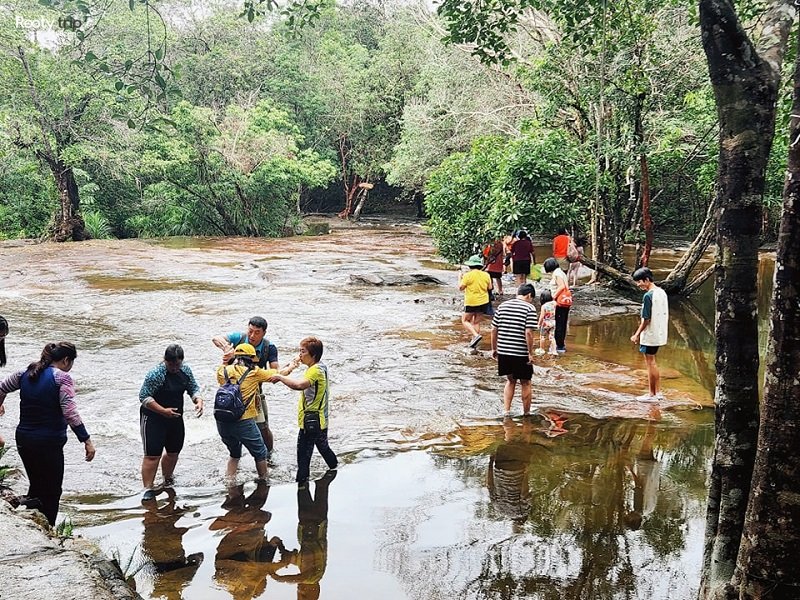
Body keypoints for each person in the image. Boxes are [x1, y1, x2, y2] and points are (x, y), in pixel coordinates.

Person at [0, 342, 95, 526]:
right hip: (49, 442)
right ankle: (48, 528)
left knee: (36, 485)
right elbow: (70, 413)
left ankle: (32, 523)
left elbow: (2, 388)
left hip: (24, 439)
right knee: (52, 490)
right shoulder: (62, 378)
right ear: (66, 360)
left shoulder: (24, 373)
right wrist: (86, 440)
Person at [215, 343, 296, 481]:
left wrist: (226, 359)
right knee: (260, 453)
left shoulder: (223, 371)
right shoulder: (254, 373)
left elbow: (224, 373)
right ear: (252, 358)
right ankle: (264, 480)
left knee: (234, 454)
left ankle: (229, 483)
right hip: (243, 421)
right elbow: (277, 375)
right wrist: (292, 366)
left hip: (222, 421)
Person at [139, 344, 204, 501]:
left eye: (177, 364)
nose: (175, 368)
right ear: (165, 361)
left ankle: (167, 479)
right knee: (152, 454)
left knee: (174, 450)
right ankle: (148, 488)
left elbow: (193, 387)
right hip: (153, 417)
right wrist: (162, 411)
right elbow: (144, 397)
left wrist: (198, 400)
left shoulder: (185, 371)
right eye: (171, 364)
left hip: (175, 417)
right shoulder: (156, 374)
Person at [268, 337, 338, 483]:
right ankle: (335, 469)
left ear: (313, 355)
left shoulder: (314, 371)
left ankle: (301, 485)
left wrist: (280, 378)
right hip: (320, 420)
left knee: (303, 457)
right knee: (323, 448)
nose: (300, 355)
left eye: (303, 351)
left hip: (311, 422)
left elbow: (299, 385)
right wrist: (291, 367)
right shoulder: (320, 367)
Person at [213, 316, 279, 456]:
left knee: (263, 427)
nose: (252, 335)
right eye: (250, 331)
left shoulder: (269, 348)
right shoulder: (239, 338)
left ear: (264, 333)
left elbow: (275, 371)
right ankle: (236, 454)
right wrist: (227, 348)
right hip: (231, 390)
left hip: (255, 392)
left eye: (257, 332)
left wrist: (260, 374)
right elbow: (216, 338)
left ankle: (269, 455)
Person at [271, 469, 336, 600]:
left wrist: (280, 548)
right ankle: (330, 465)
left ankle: (313, 463)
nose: (298, 590)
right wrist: (279, 578)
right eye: (301, 594)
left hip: (305, 522)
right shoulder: (314, 577)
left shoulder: (301, 565)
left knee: (303, 485)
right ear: (310, 591)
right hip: (317, 523)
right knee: (320, 485)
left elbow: (289, 556)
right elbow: (301, 578)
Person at [490, 283, 538, 417]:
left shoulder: (502, 306)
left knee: (510, 381)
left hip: (504, 351)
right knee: (526, 382)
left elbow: (493, 329)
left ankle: (506, 411)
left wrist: (494, 348)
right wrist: (530, 352)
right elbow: (528, 333)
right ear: (529, 295)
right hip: (520, 352)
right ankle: (526, 413)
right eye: (531, 298)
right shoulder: (530, 308)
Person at [630, 267, 669, 401]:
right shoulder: (662, 292)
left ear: (646, 280)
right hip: (660, 332)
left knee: (650, 363)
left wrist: (636, 334)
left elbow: (646, 319)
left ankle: (651, 394)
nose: (638, 285)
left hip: (650, 334)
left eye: (639, 282)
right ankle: (658, 392)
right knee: (653, 362)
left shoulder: (648, 296)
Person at [459, 254, 494, 349]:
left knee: (465, 320)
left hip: (471, 301)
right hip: (483, 301)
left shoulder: (467, 275)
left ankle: (475, 335)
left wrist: (460, 278)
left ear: (470, 265)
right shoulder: (486, 275)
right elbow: (490, 287)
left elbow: (461, 288)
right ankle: (474, 342)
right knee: (476, 322)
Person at [543, 257, 570, 354]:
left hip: (559, 302)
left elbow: (562, 286)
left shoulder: (557, 273)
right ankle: (561, 345)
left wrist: (553, 296)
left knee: (559, 324)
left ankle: (559, 346)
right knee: (562, 323)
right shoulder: (561, 272)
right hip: (565, 301)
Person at [535, 290, 557, 356]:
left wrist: (539, 324)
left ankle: (541, 349)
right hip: (553, 322)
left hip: (545, 323)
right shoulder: (554, 303)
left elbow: (542, 316)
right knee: (552, 337)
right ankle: (554, 351)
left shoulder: (544, 306)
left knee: (542, 336)